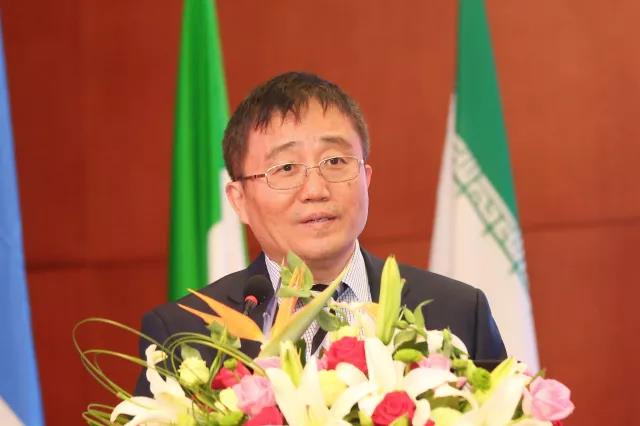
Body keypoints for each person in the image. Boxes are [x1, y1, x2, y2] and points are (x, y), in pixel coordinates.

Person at [135, 71, 505, 395]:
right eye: (286, 168)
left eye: (336, 161)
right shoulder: (183, 333)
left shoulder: (457, 312)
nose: (315, 189)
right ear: (239, 200)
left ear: (366, 178)